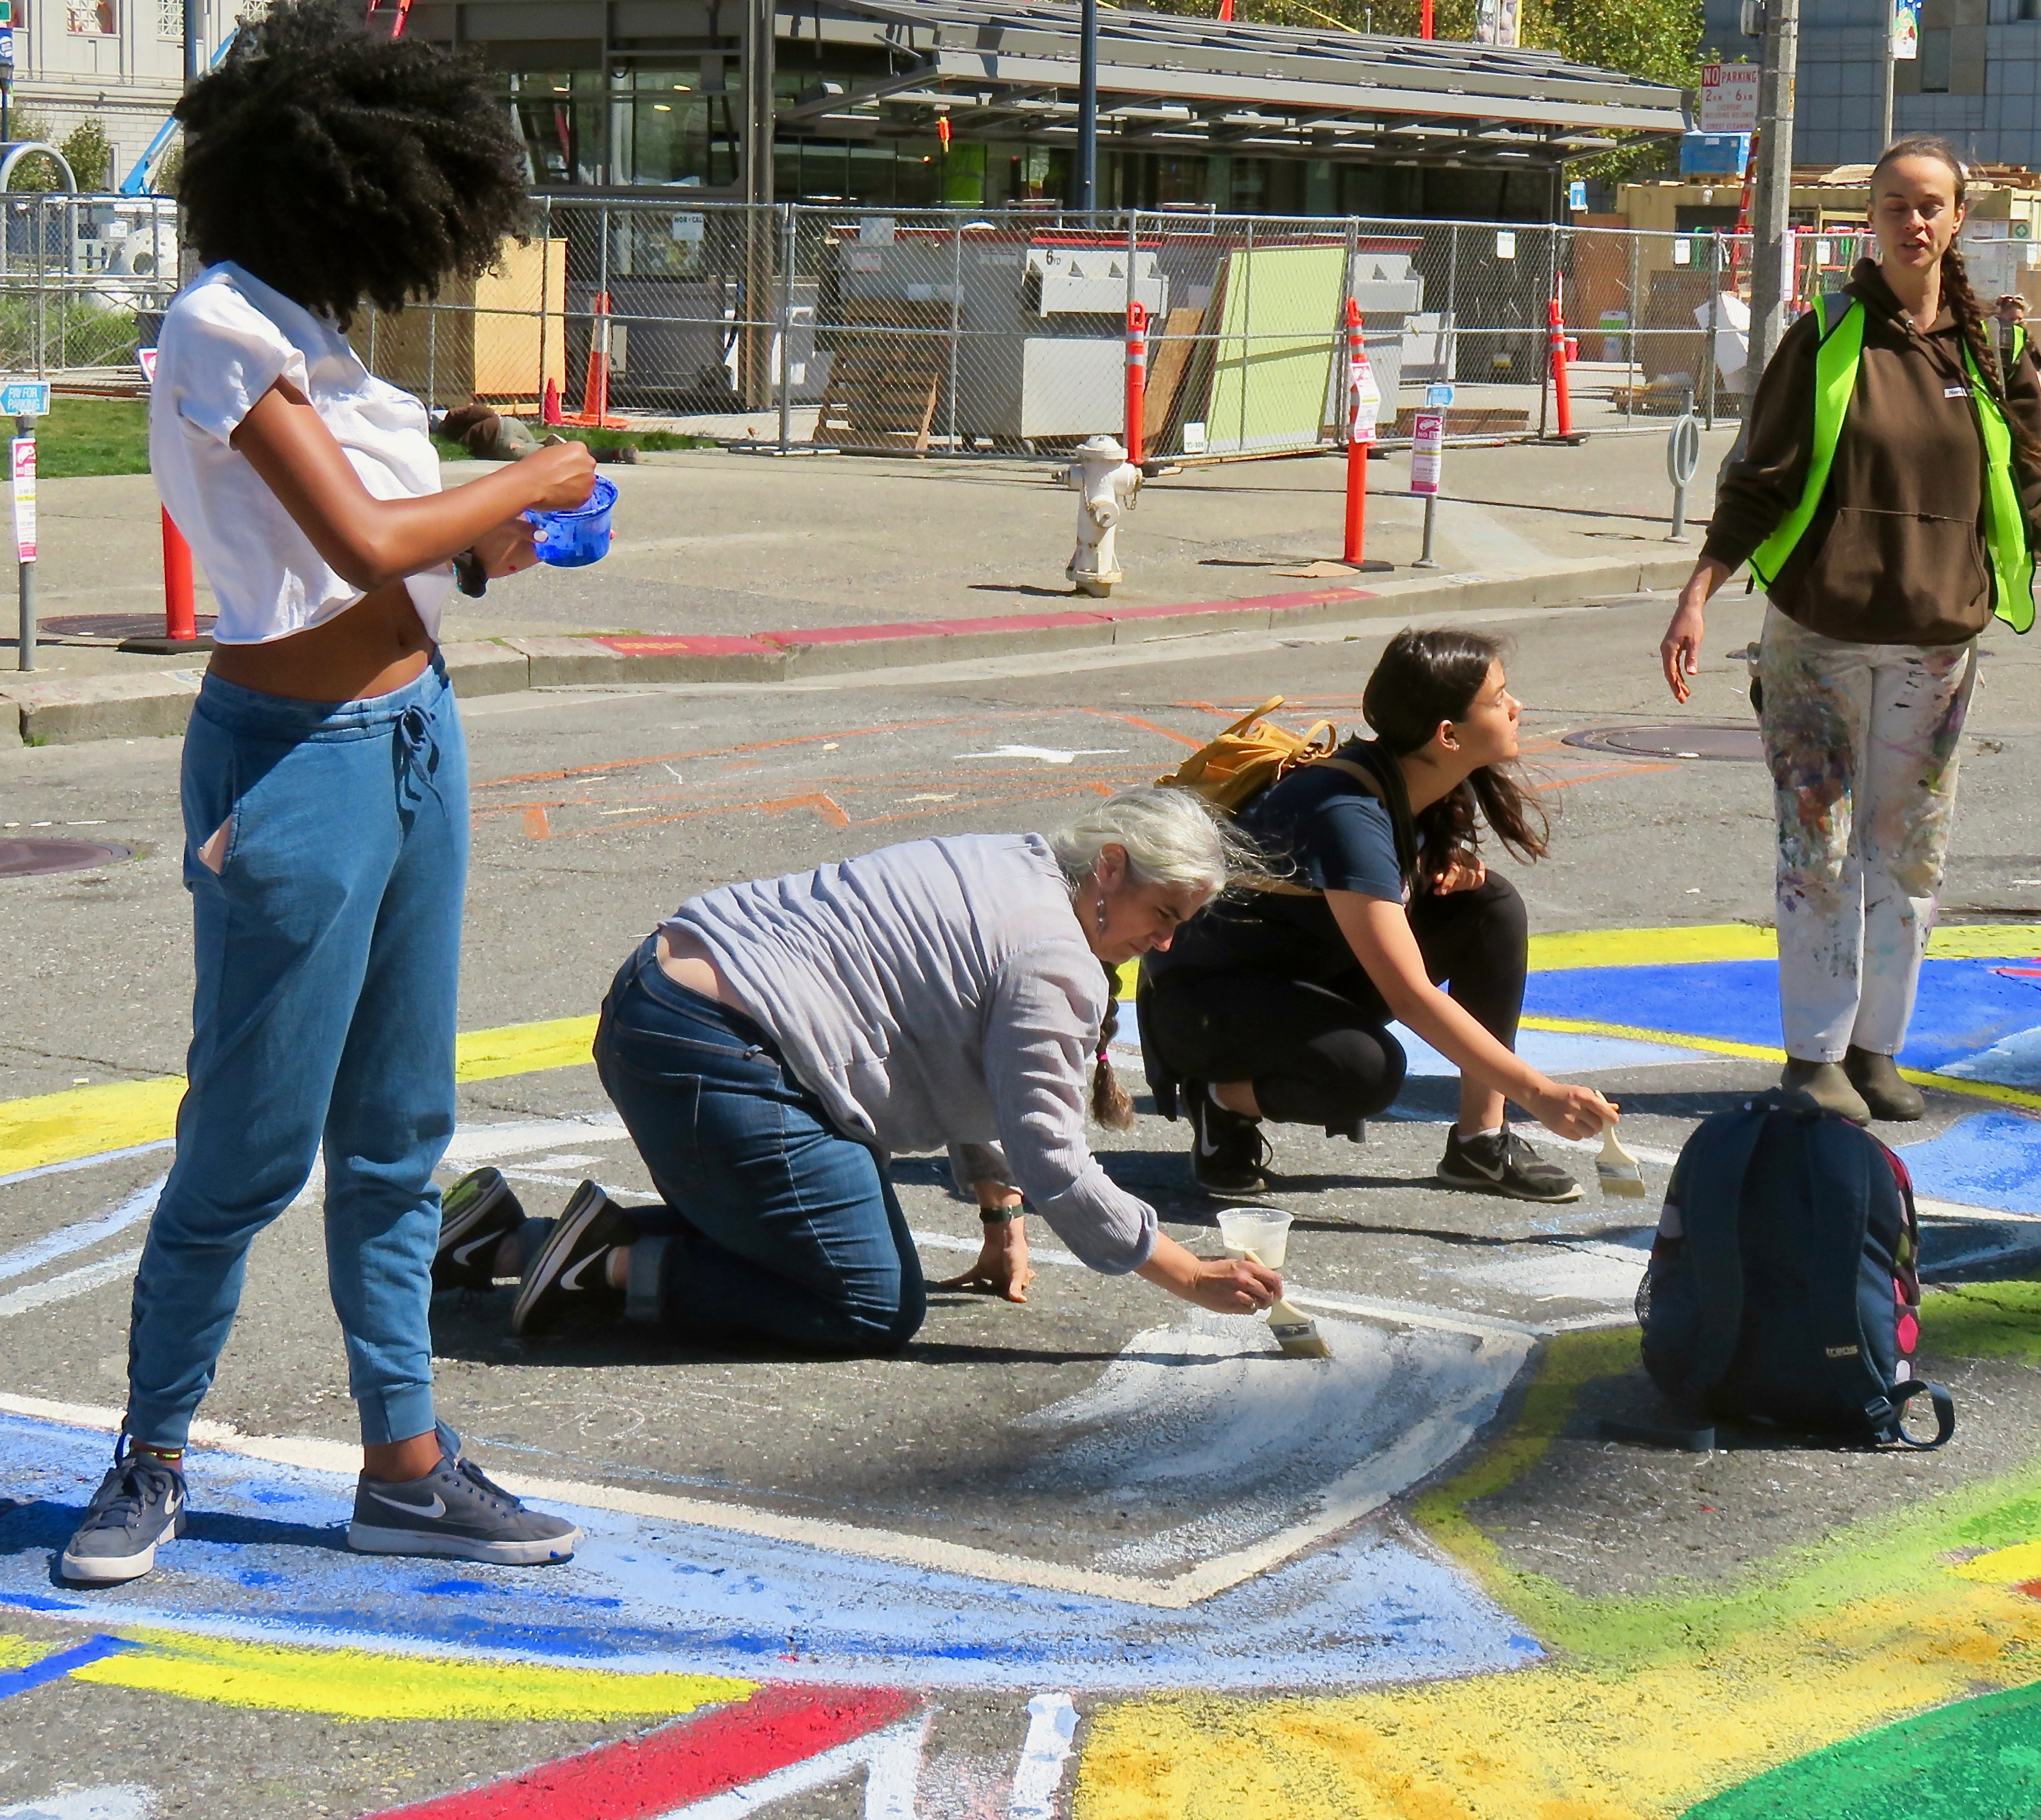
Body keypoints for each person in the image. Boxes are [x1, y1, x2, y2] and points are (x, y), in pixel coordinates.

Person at [59, 0, 597, 1587]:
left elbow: (393, 562)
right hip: (293, 766)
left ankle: (407, 1464)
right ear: (339, 180)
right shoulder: (227, 320)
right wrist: (536, 481)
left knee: (396, 1132)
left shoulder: (322, 337)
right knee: (247, 1137)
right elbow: (361, 539)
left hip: (414, 739)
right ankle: (149, 1455)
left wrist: (494, 541)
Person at [432, 789, 1285, 1339]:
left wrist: (998, 1218)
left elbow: (965, 1048)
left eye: (1183, 925)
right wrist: (1189, 1275)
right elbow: (1050, 1154)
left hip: (657, 1002)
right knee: (870, 1300)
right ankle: (602, 1267)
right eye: (1162, 912)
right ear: (1108, 867)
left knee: (809, 1235)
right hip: (718, 1051)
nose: (1165, 941)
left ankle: (503, 1242)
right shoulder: (1056, 957)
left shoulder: (1016, 861)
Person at [1660, 137, 2041, 1124]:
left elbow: (2032, 483)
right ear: (1866, 221)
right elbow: (1758, 476)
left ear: (1958, 218)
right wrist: (1699, 590)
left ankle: (1876, 1049)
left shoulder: (1990, 346)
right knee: (1817, 847)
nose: (1910, 222)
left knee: (1908, 851)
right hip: (1817, 635)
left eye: (1928, 206)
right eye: (1891, 206)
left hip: (1935, 642)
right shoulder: (1826, 336)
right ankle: (1812, 1056)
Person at [1139, 629, 1618, 1201]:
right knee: (1365, 1071)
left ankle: (1480, 1143)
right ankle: (1221, 1100)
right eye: (1498, 699)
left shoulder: (1425, 777)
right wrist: (1540, 1092)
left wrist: (1436, 867)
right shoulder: (1345, 811)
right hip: (1205, 1005)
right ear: (1448, 734)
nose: (1516, 707)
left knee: (1491, 908)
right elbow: (1410, 997)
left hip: (1300, 969)